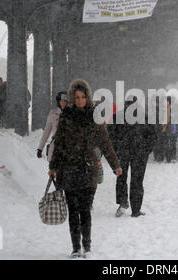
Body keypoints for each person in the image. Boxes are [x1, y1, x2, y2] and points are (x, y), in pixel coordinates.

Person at [48, 79, 122, 258]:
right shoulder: (66, 116)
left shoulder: (94, 115)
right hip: (69, 168)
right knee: (73, 210)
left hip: (88, 169)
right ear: (72, 97)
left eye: (83, 97)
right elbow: (59, 143)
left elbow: (105, 142)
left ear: (87, 97)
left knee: (85, 209)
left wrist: (115, 165)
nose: (80, 100)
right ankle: (76, 247)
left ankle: (87, 246)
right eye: (76, 97)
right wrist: (53, 166)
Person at [107, 98, 157, 218]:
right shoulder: (145, 117)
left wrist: (115, 150)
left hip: (122, 152)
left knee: (121, 178)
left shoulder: (117, 117)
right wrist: (147, 150)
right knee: (137, 181)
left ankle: (123, 201)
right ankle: (136, 210)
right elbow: (153, 136)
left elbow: (110, 136)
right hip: (139, 153)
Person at [37, 91, 68, 162]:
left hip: (68, 149)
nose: (63, 103)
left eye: (65, 101)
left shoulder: (71, 114)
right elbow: (46, 132)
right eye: (61, 101)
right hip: (55, 149)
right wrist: (40, 148)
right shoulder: (52, 114)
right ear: (58, 102)